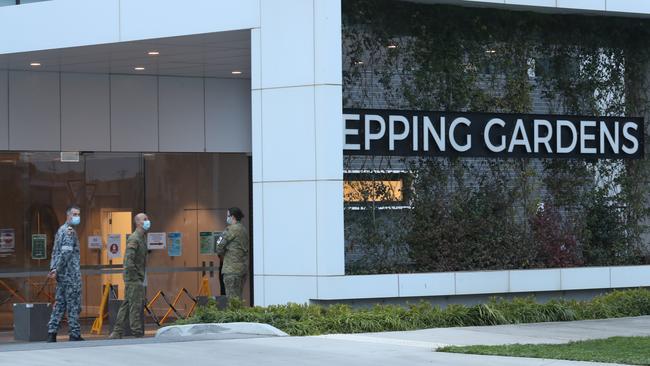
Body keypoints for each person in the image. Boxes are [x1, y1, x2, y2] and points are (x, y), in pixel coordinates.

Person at [109, 213, 150, 339]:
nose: (148, 221)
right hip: (133, 278)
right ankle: (136, 331)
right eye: (145, 219)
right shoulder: (135, 238)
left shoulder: (142, 238)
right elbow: (128, 261)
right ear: (138, 222)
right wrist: (135, 278)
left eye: (147, 219)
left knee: (127, 304)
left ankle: (117, 331)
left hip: (136, 276)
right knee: (135, 304)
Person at [47, 204, 84, 342]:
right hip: (70, 275)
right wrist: (57, 269)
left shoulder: (60, 230)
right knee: (73, 304)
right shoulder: (69, 232)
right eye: (74, 214)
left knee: (60, 303)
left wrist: (53, 269)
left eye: (78, 214)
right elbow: (65, 253)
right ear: (67, 216)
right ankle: (74, 334)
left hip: (62, 276)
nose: (77, 217)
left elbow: (55, 252)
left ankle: (52, 332)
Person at [215, 207, 249, 300]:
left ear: (233, 217)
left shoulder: (230, 230)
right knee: (238, 298)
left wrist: (222, 255)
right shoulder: (244, 230)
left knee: (231, 300)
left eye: (228, 215)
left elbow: (218, 246)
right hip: (242, 270)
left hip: (231, 270)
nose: (227, 218)